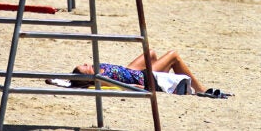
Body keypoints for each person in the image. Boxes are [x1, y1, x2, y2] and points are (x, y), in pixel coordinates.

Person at [70, 49, 233, 99]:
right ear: (89, 78)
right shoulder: (101, 79)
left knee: (151, 53)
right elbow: (120, 86)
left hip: (130, 70)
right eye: (85, 68)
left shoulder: (96, 68)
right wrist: (133, 87)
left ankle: (165, 76)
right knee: (173, 56)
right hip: (143, 78)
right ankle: (201, 90)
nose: (86, 64)